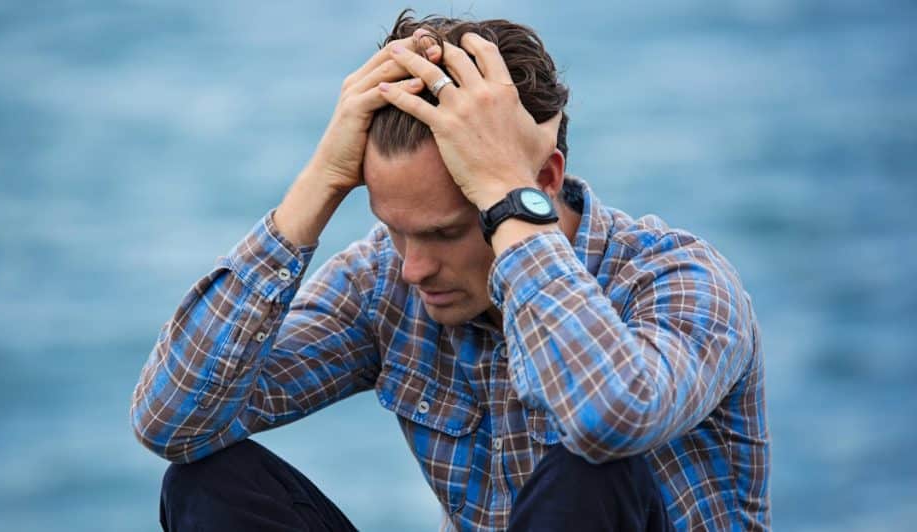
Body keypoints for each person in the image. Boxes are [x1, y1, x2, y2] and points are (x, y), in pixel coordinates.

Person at [131, 10, 770, 532]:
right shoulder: (386, 282)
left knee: (593, 466)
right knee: (205, 484)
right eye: (392, 227)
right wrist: (320, 185)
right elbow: (172, 422)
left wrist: (507, 198)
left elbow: (608, 418)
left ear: (542, 181)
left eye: (443, 232)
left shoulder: (679, 279)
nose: (412, 266)